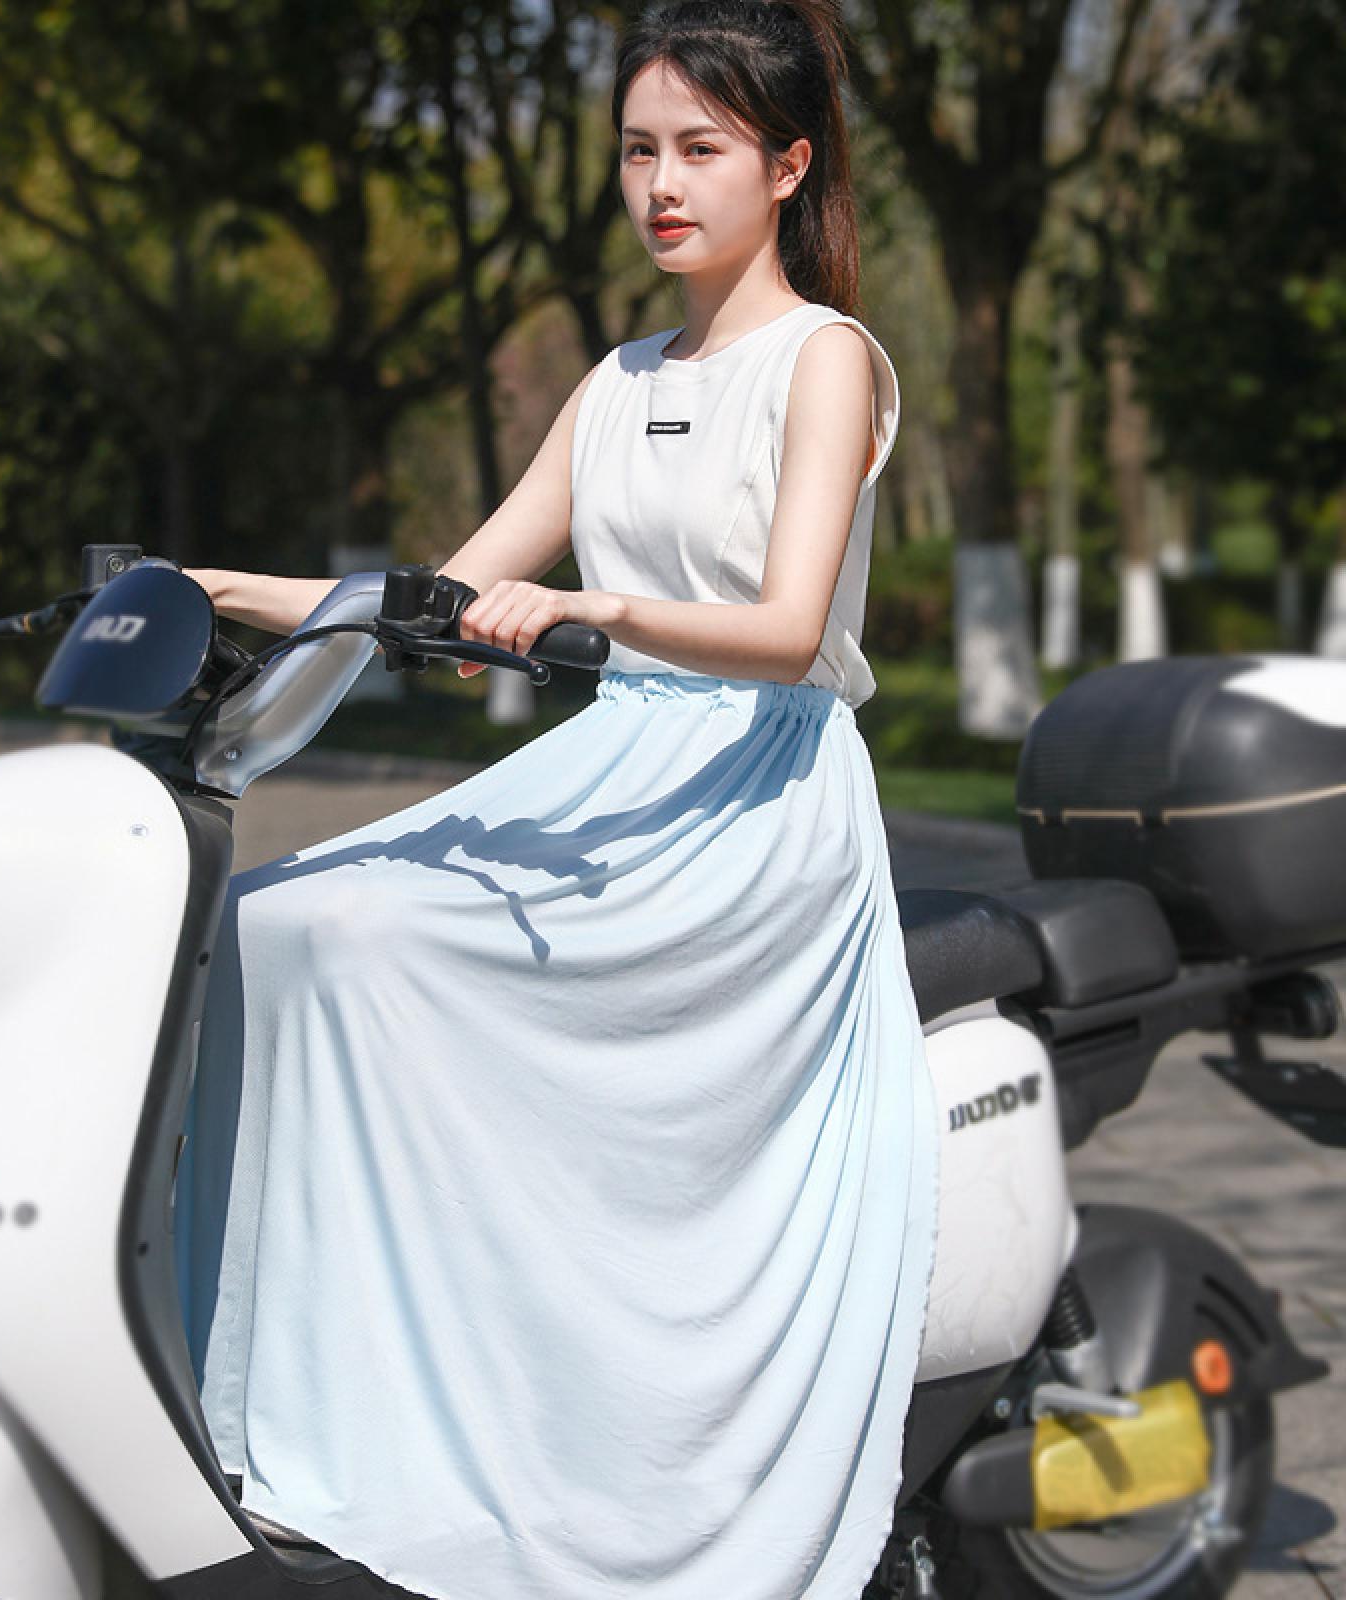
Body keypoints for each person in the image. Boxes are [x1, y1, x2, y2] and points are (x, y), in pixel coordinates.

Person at [174, 1, 939, 1596]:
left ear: (788, 167)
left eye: (702, 149)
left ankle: (516, 1424)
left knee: (374, 939)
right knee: (272, 920)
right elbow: (437, 601)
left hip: (754, 799)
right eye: (639, 150)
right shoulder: (615, 378)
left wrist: (598, 611)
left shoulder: (826, 360)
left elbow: (791, 630)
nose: (662, 184)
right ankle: (297, 1401)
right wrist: (212, 586)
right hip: (617, 763)